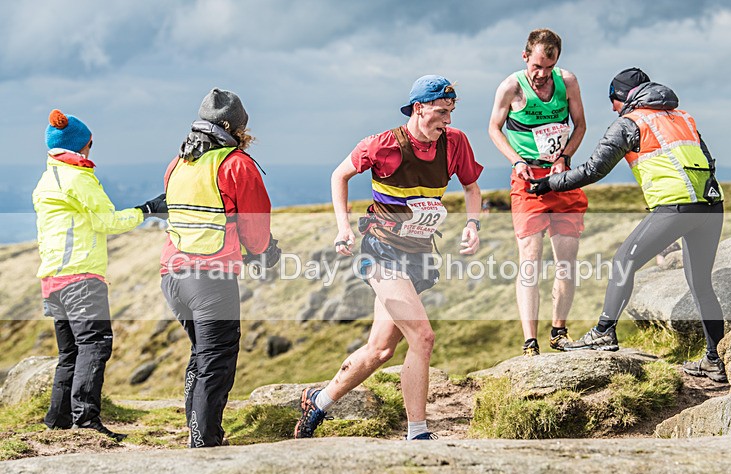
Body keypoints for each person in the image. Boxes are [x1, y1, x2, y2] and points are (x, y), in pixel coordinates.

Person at [294, 75, 483, 440]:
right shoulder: (383, 144)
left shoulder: (455, 143)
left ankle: (318, 401)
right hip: (380, 253)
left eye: (451, 113)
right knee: (423, 337)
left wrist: (472, 224)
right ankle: (417, 432)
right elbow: (340, 175)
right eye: (442, 112)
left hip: (418, 255)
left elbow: (472, 188)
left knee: (380, 350)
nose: (448, 121)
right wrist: (343, 228)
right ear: (418, 108)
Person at [527, 68, 727, 383]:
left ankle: (604, 332)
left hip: (676, 207)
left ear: (624, 97)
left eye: (613, 100)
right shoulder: (683, 118)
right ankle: (715, 360)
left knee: (623, 262)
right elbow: (707, 160)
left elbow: (593, 169)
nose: (611, 108)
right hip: (711, 205)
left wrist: (549, 184)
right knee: (701, 284)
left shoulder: (630, 123)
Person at [34, 109, 167, 441]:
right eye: (91, 143)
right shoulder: (78, 178)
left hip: (52, 279)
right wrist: (147, 209)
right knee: (95, 344)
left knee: (71, 352)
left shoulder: (48, 179)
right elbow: (107, 222)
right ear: (82, 145)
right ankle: (86, 420)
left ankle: (58, 419)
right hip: (80, 277)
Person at [160, 88, 279, 447]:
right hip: (210, 280)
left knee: (202, 355)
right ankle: (205, 442)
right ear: (238, 128)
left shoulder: (178, 163)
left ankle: (198, 435)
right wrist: (266, 251)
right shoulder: (237, 164)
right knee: (217, 362)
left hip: (172, 276)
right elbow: (256, 234)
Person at [487, 28, 587, 356]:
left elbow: (580, 125)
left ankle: (559, 331)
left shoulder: (567, 82)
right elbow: (493, 128)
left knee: (566, 262)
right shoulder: (511, 86)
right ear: (525, 56)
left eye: (549, 66)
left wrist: (565, 157)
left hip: (561, 178)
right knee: (530, 260)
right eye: (537, 66)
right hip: (528, 179)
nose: (542, 74)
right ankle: (530, 341)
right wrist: (516, 161)